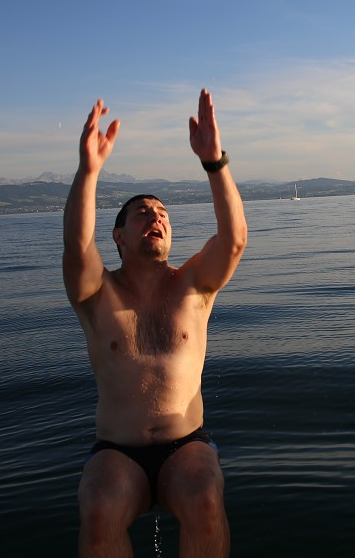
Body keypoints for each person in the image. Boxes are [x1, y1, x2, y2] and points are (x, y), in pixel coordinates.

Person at [63, 89, 247, 558]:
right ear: (118, 236)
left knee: (206, 500)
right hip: (117, 451)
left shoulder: (193, 287)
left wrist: (214, 162)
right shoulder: (95, 294)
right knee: (100, 510)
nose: (156, 218)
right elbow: (75, 245)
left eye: (163, 214)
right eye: (143, 212)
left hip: (186, 446)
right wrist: (89, 172)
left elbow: (234, 239)